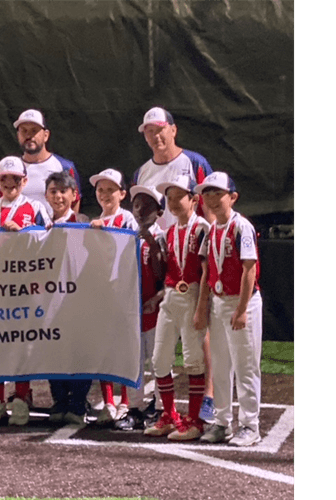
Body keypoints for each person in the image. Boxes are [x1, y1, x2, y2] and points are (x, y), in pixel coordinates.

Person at [133, 106, 216, 422]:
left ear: (173, 129)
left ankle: (208, 397)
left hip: (192, 256)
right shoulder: (142, 172)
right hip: (160, 260)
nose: (155, 136)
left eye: (159, 129)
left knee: (201, 326)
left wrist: (208, 254)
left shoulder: (194, 162)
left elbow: (208, 209)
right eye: (149, 132)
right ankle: (160, 404)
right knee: (159, 336)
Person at [0, 156, 52, 426]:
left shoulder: (35, 207)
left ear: (25, 181)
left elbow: (49, 239)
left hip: (25, 284)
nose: (10, 184)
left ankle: (21, 399)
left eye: (15, 179)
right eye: (4, 179)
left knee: (23, 343)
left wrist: (23, 232)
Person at [194, 172, 263, 447]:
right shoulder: (211, 230)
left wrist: (243, 309)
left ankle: (250, 425)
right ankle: (223, 422)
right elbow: (207, 270)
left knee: (245, 366)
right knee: (221, 366)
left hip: (241, 302)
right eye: (207, 193)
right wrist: (203, 306)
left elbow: (250, 269)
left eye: (217, 193)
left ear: (232, 197)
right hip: (220, 302)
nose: (211, 199)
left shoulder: (240, 226)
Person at [143, 175, 211, 440]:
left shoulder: (203, 228)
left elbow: (205, 271)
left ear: (194, 199)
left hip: (192, 294)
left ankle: (194, 420)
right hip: (170, 297)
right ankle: (170, 415)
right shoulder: (170, 232)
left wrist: (201, 306)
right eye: (169, 198)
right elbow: (165, 270)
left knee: (193, 359)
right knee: (160, 358)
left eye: (178, 197)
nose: (172, 203)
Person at [114, 185, 168, 432]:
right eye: (136, 205)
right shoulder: (126, 234)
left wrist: (156, 299)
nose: (139, 210)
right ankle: (134, 408)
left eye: (146, 206)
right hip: (130, 310)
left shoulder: (161, 236)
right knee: (133, 362)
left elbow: (163, 275)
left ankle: (159, 407)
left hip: (154, 310)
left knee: (158, 361)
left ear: (158, 212)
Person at [86, 168, 137, 425]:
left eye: (110, 190)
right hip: (101, 295)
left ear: (122, 194)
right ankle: (108, 402)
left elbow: (134, 244)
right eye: (100, 190)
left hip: (124, 294)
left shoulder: (126, 219)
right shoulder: (94, 222)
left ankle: (125, 402)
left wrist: (102, 229)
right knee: (104, 350)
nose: (105, 195)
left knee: (123, 350)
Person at [14, 109, 82, 217]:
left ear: (46, 135)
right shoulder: (12, 167)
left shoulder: (64, 166)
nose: (29, 136)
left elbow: (74, 201)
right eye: (24, 131)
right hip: (20, 232)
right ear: (18, 135)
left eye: (34, 131)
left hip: (55, 232)